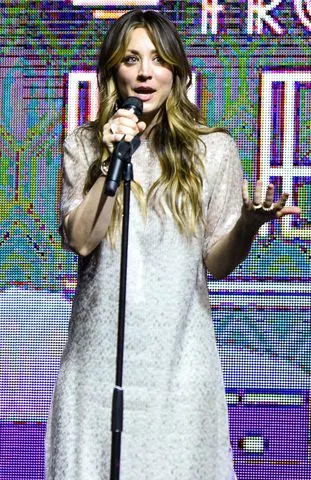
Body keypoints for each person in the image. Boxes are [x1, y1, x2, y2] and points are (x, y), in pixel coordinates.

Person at [45, 9, 300, 480]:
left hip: (181, 365)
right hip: (99, 363)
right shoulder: (85, 144)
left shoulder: (213, 150)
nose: (145, 72)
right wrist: (110, 161)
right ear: (112, 71)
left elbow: (215, 262)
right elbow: (82, 240)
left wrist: (247, 224)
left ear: (177, 73)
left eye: (159, 60)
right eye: (131, 59)